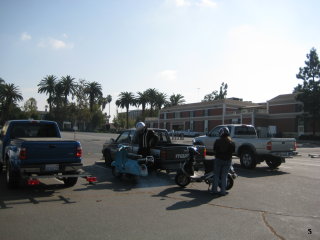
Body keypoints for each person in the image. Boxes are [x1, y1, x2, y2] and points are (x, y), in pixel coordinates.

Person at [212, 127, 235, 196]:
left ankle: (214, 190)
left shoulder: (217, 141)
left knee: (216, 175)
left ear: (221, 133)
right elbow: (233, 151)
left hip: (218, 160)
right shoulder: (231, 142)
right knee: (224, 176)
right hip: (227, 161)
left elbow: (214, 149)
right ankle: (223, 191)